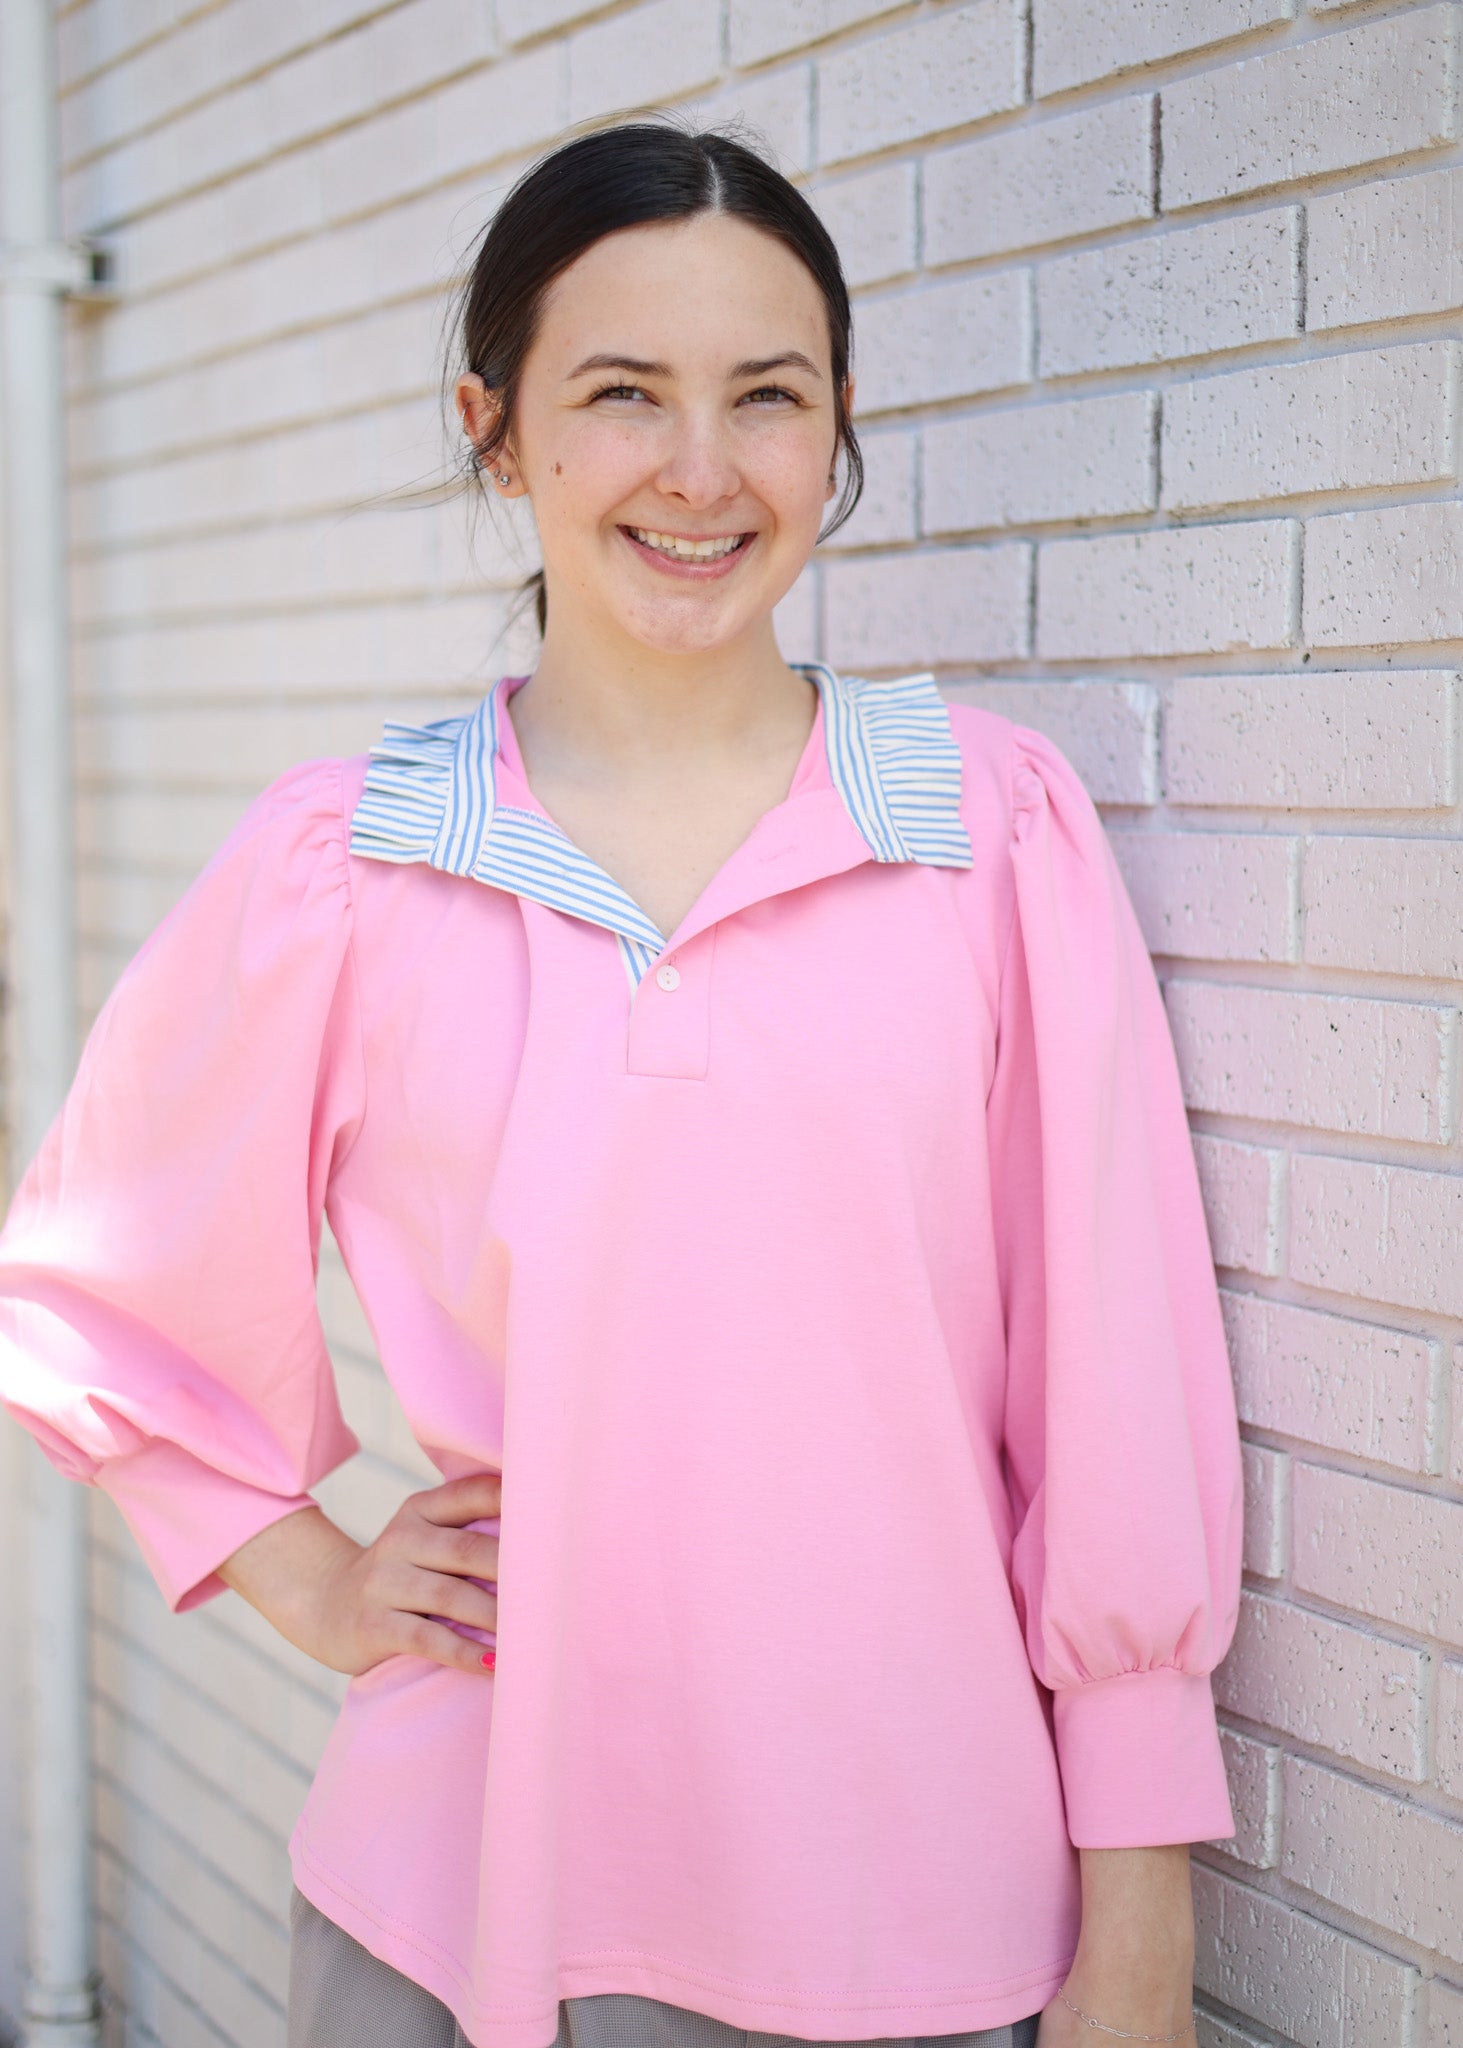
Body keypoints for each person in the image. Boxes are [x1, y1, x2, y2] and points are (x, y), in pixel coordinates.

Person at [0, 119, 1243, 2048]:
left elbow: (1116, 1386)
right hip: (468, 1900)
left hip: (928, 1899)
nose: (697, 467)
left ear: (837, 431)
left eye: (766, 395)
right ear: (497, 429)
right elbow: (95, 1282)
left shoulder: (990, 836)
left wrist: (1140, 1900)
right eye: (620, 395)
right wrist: (312, 1574)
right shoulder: (356, 862)